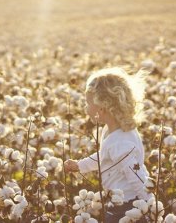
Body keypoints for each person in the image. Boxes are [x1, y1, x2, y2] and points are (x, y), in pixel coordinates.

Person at [64, 67, 150, 222]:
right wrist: (80, 165)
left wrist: (151, 207)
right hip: (117, 202)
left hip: (128, 207)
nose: (85, 108)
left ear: (102, 108)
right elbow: (105, 156)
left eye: (88, 103)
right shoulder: (111, 132)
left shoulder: (121, 143)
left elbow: (137, 178)